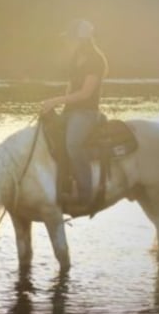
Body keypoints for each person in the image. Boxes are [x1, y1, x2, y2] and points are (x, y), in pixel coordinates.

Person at [40, 19, 108, 210]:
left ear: (82, 39)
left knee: (73, 143)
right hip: (71, 111)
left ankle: (87, 194)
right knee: (47, 134)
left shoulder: (96, 60)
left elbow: (86, 94)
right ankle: (61, 184)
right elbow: (71, 87)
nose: (68, 42)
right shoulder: (76, 57)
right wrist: (57, 107)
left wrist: (55, 101)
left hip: (87, 112)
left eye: (70, 39)